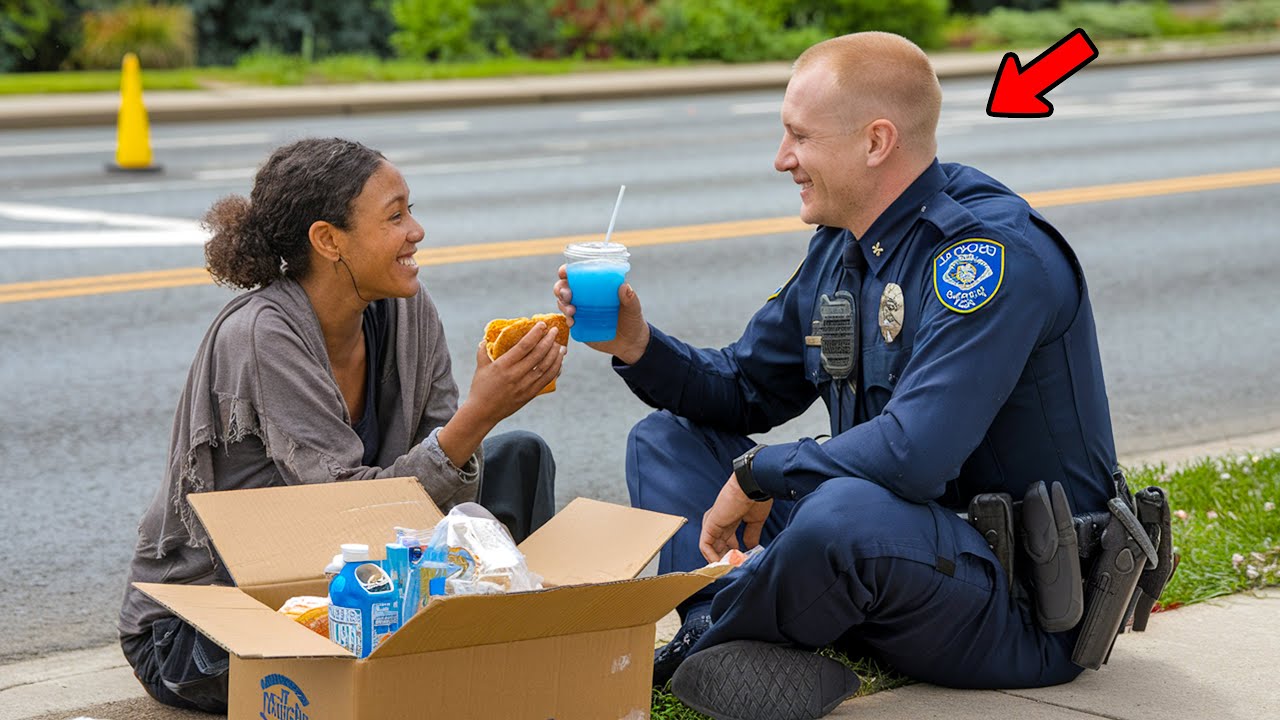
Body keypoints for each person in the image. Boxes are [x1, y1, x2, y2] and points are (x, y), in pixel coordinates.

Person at [554, 32, 1121, 720]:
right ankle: (721, 632)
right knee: (666, 439)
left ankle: (709, 638)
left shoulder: (985, 260)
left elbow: (916, 456)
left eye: (799, 137)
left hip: (1019, 607)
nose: (782, 159)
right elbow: (744, 389)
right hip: (894, 558)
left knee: (839, 511)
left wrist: (762, 472)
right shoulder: (844, 246)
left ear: (876, 142)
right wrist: (638, 344)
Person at [119, 137, 564, 713]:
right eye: (396, 215)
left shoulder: (407, 308)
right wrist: (479, 414)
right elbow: (339, 513)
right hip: (216, 618)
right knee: (360, 643)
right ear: (329, 240)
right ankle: (450, 651)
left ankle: (496, 640)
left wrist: (479, 425)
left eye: (412, 210)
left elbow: (437, 500)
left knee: (521, 457)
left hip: (364, 576)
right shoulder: (263, 335)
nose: (417, 231)